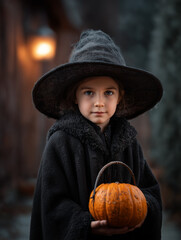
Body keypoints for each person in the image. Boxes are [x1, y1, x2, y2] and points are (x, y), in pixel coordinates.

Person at [30, 29, 163, 240]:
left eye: (108, 92)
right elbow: (52, 205)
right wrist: (84, 225)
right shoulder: (60, 142)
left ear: (120, 97)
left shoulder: (129, 142)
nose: (99, 102)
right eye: (89, 92)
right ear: (75, 96)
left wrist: (139, 207)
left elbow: (150, 192)